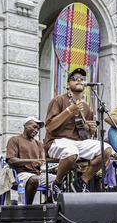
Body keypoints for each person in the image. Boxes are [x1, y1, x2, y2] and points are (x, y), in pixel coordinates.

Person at [44, 68, 112, 202]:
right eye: (75, 78)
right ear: (68, 83)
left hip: (77, 143)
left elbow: (85, 135)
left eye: (82, 78)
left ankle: (80, 182)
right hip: (57, 141)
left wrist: (91, 130)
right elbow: (49, 126)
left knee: (106, 149)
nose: (79, 80)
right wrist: (69, 110)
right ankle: (57, 183)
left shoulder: (86, 107)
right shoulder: (58, 100)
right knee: (72, 152)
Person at [6, 116, 55, 204]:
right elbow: (11, 160)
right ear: (26, 126)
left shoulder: (39, 143)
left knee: (58, 179)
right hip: (20, 174)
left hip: (38, 174)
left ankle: (47, 204)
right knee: (34, 179)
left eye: (38, 129)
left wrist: (44, 164)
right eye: (34, 127)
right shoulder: (14, 140)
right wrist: (31, 161)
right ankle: (28, 207)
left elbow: (41, 162)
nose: (36, 130)